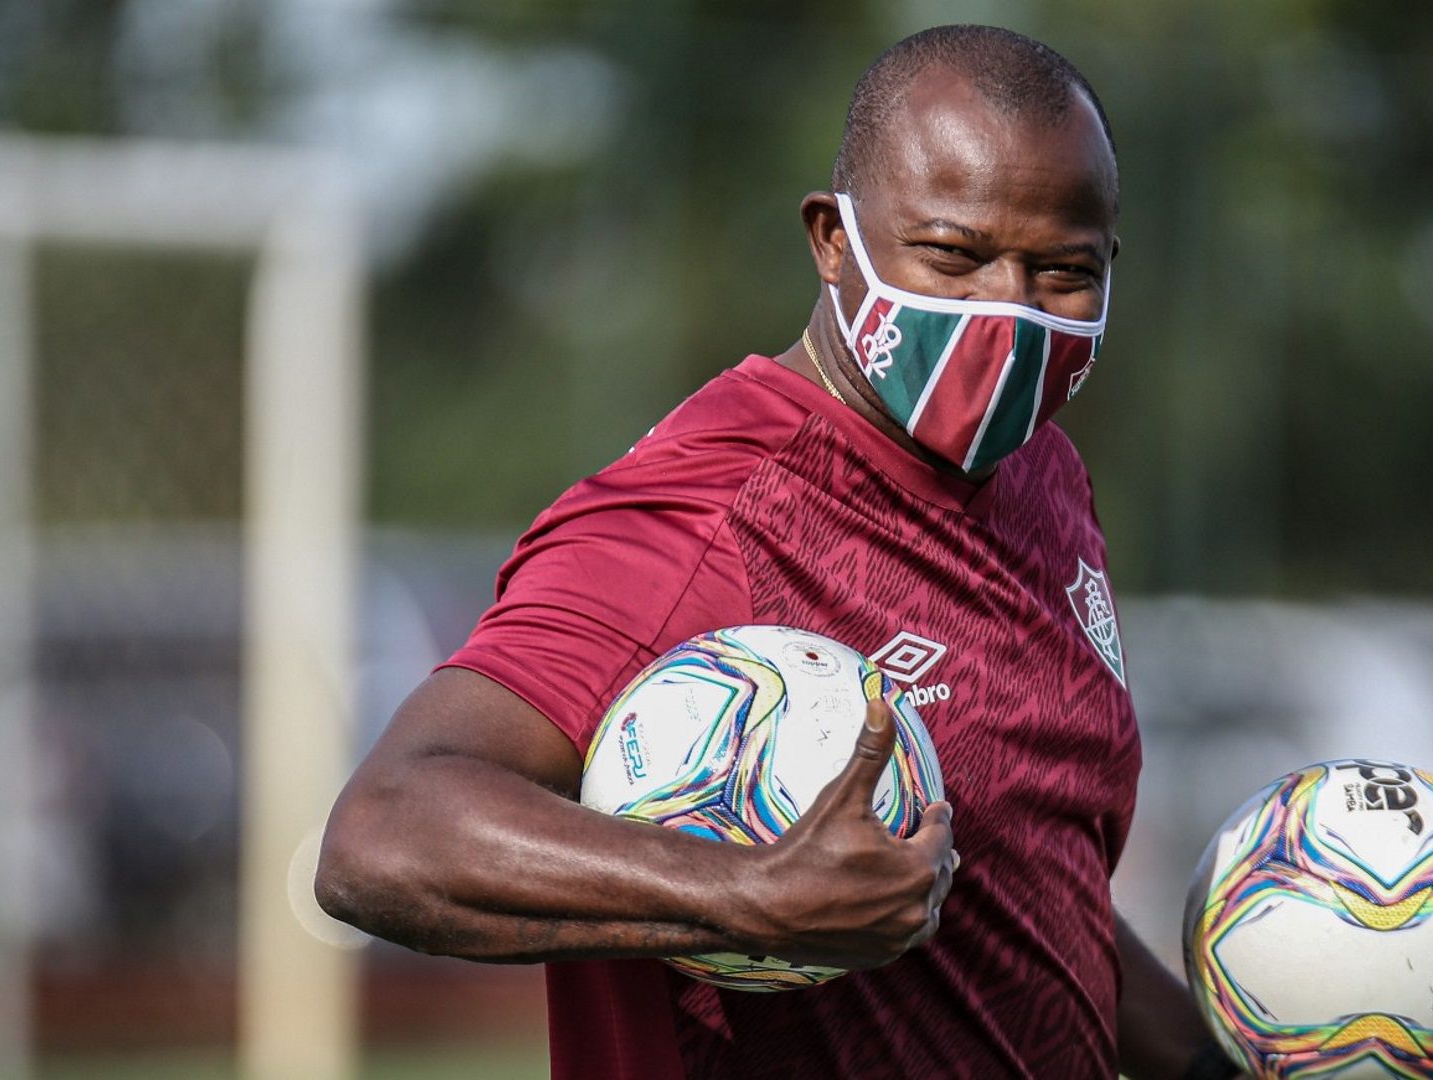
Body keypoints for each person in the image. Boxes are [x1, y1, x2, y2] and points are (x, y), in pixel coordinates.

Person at [317, 23, 1240, 1080]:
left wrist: (1221, 1061)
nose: (1009, 310)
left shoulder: (1046, 478)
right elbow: (384, 832)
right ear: (832, 239)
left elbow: (1026, 877)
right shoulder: (703, 516)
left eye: (1062, 272)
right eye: (954, 254)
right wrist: (746, 894)